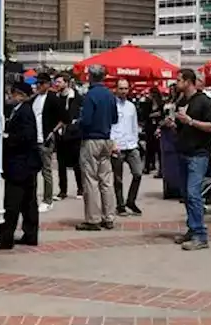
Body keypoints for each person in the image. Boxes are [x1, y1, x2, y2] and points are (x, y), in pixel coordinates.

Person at [0, 81, 42, 250]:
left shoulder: (24, 112)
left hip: (20, 165)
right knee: (28, 202)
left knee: (12, 203)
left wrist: (6, 138)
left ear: (20, 95)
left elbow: (26, 137)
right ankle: (30, 234)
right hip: (27, 164)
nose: (10, 96)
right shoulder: (21, 110)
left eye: (13, 93)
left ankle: (5, 238)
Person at [172, 68, 211, 251]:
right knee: (186, 194)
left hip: (198, 154)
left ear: (188, 81)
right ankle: (192, 229)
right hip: (184, 152)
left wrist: (190, 121)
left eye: (179, 80)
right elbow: (181, 125)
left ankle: (200, 234)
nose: (176, 84)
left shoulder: (205, 102)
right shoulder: (182, 101)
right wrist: (175, 124)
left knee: (193, 194)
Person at [76, 65, 118, 231]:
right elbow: (114, 118)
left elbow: (86, 120)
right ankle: (109, 217)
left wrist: (77, 123)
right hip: (106, 139)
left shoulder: (90, 95)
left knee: (91, 180)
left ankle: (93, 219)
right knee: (106, 180)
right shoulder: (109, 95)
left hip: (91, 139)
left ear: (90, 77)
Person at [110, 79, 144, 216]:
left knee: (138, 173)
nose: (124, 91)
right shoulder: (111, 105)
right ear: (116, 89)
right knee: (118, 178)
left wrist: (136, 140)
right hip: (117, 145)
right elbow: (109, 125)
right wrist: (112, 143)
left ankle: (131, 200)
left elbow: (134, 125)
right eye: (121, 88)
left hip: (131, 145)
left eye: (126, 88)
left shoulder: (131, 106)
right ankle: (120, 205)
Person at [52, 74, 85, 199]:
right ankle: (63, 191)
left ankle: (80, 189)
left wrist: (76, 125)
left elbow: (81, 114)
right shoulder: (56, 97)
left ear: (66, 83)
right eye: (56, 82)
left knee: (76, 163)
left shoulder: (77, 97)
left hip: (74, 134)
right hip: (60, 134)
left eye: (59, 82)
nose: (57, 84)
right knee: (61, 164)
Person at [32, 73, 61, 212]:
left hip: (45, 139)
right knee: (32, 170)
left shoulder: (53, 99)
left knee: (46, 170)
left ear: (48, 84)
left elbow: (64, 118)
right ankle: (32, 198)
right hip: (34, 138)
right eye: (38, 83)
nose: (39, 85)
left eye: (42, 83)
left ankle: (48, 199)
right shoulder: (34, 99)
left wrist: (52, 132)